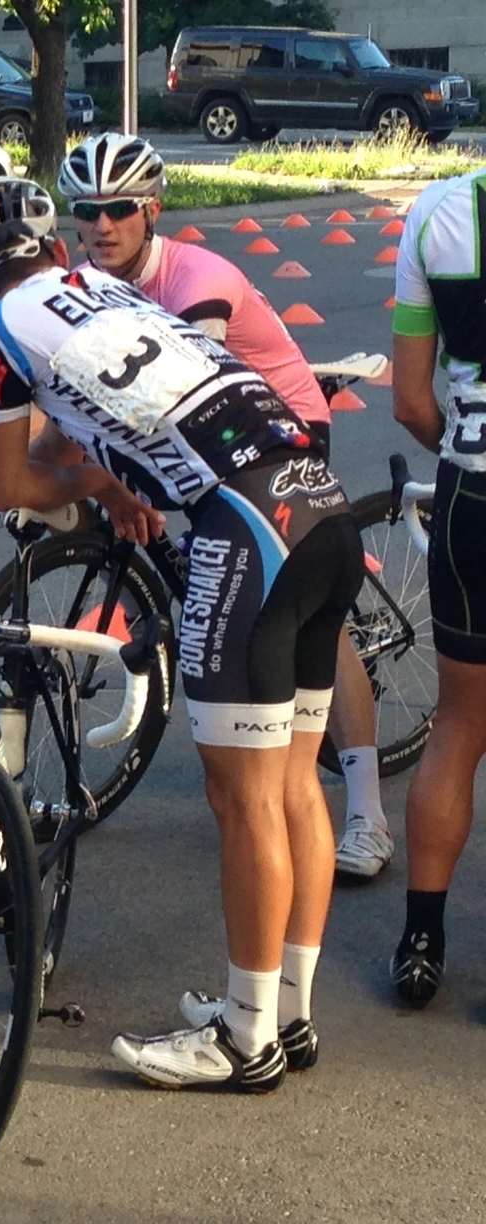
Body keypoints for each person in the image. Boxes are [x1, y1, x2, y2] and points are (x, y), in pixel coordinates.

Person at [0, 177, 363, 1092]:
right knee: (291, 786)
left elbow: (20, 481)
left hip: (245, 529)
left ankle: (244, 1042)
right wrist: (85, 481)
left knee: (241, 796)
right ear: (53, 248)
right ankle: (284, 1012)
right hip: (320, 503)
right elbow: (89, 445)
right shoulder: (115, 292)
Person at [50, 132, 393, 878]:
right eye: (88, 211)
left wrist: (122, 483)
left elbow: (177, 407)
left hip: (285, 431)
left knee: (306, 619)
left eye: (120, 210)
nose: (102, 226)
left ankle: (366, 814)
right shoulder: (85, 285)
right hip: (216, 447)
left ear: (152, 211)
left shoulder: (195, 278)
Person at [386, 164, 486, 1007]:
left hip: (470, 494)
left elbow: (412, 401)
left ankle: (422, 939)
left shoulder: (440, 210)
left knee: (458, 724)